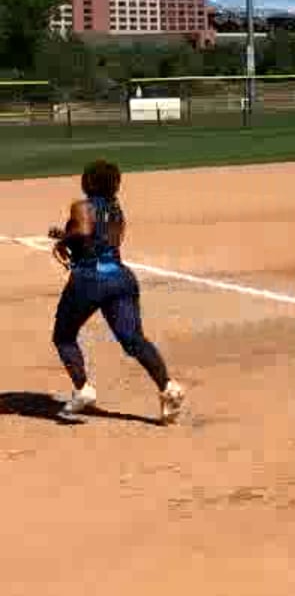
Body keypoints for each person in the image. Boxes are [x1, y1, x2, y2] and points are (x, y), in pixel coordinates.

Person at [46, 160, 188, 423]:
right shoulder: (116, 210)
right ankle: (168, 387)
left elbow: (84, 231)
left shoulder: (82, 206)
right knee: (134, 340)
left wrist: (63, 241)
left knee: (64, 336)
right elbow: (101, 240)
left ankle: (83, 390)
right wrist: (64, 236)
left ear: (89, 182)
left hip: (89, 280)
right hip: (121, 279)